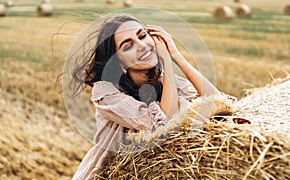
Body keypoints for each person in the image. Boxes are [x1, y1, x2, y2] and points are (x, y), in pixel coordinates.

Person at [70, 13, 235, 179]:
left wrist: (176, 56)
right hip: (105, 175)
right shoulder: (106, 92)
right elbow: (162, 126)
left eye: (143, 35)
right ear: (118, 61)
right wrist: (167, 63)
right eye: (128, 46)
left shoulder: (165, 80)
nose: (142, 45)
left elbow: (220, 103)